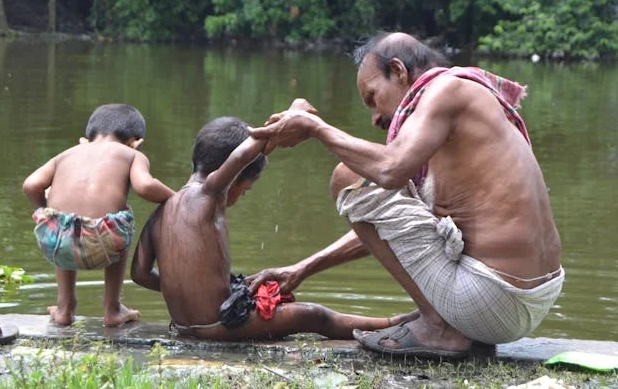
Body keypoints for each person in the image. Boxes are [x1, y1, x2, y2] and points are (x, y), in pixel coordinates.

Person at [247, 32, 564, 359]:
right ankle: (445, 323)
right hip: (532, 297)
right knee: (368, 186)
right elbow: (393, 229)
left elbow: (390, 170)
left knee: (348, 178)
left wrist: (315, 128)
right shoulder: (470, 98)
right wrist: (302, 269)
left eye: (372, 97)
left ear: (398, 71)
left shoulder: (446, 91)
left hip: (492, 297)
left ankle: (440, 328)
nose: (375, 119)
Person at [130, 116, 410, 340]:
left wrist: (186, 292)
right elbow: (241, 158)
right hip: (220, 327)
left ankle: (390, 323)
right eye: (247, 189)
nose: (242, 197)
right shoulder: (210, 193)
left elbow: (140, 274)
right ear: (232, 178)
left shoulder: (159, 213)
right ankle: (390, 324)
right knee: (312, 315)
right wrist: (291, 115)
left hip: (183, 327)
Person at [23, 103, 175, 327]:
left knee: (64, 219)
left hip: (54, 241)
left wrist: (46, 211)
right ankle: (112, 309)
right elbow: (145, 187)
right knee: (122, 215)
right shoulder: (131, 154)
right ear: (136, 142)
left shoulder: (66, 154)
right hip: (106, 242)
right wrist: (178, 198)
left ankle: (65, 309)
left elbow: (30, 185)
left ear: (85, 139)